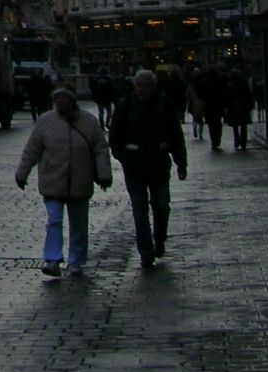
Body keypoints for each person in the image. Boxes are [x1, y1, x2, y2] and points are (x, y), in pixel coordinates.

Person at [15, 85, 111, 277]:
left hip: (80, 180)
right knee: (54, 220)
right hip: (53, 180)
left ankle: (76, 260)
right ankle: (52, 259)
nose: (60, 101)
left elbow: (100, 149)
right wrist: (22, 173)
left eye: (64, 98)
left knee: (79, 225)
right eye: (57, 98)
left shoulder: (89, 122)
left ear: (72, 100)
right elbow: (32, 150)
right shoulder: (45, 121)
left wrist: (104, 174)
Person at [110, 69, 188, 269]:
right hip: (134, 166)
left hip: (159, 164)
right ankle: (145, 251)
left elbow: (176, 135)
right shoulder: (125, 106)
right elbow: (115, 135)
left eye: (146, 85)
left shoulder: (164, 105)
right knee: (139, 210)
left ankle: (159, 237)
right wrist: (123, 156)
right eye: (139, 85)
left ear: (154, 87)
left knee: (161, 205)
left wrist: (181, 162)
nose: (142, 89)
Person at [225, 67, 254, 151]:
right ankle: (243, 142)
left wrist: (227, 106)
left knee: (235, 127)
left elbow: (227, 98)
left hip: (234, 108)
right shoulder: (244, 84)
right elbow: (248, 96)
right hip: (243, 108)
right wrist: (250, 106)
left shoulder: (230, 85)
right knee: (243, 126)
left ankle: (236, 141)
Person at [199, 67, 227, 151]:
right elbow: (224, 93)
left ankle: (213, 140)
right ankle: (217, 139)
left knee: (211, 125)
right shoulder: (220, 81)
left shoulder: (204, 82)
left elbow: (201, 94)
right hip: (218, 105)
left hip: (208, 106)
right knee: (218, 123)